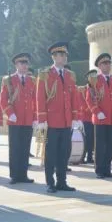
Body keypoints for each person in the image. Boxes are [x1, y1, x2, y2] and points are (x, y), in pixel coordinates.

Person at [36, 42, 81, 193]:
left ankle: (62, 181)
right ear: (54, 57)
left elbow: (75, 97)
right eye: (61, 55)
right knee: (51, 154)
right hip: (51, 122)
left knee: (64, 153)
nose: (64, 57)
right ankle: (50, 182)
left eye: (65, 55)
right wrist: (42, 120)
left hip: (66, 121)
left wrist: (76, 117)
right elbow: (40, 98)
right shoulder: (45, 75)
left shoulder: (70, 75)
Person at [1, 53, 37, 184]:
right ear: (16, 65)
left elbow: (34, 100)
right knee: (15, 148)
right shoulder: (8, 80)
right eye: (22, 63)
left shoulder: (32, 80)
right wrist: (10, 113)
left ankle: (23, 175)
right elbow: (3, 100)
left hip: (27, 119)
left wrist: (35, 117)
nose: (25, 65)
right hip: (14, 119)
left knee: (25, 148)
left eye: (26, 63)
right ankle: (14, 175)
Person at [87, 52, 112, 179]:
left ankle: (107, 169)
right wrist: (97, 111)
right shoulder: (94, 79)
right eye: (105, 63)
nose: (108, 65)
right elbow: (90, 98)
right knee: (100, 146)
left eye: (109, 63)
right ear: (99, 66)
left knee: (110, 146)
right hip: (101, 118)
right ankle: (99, 170)